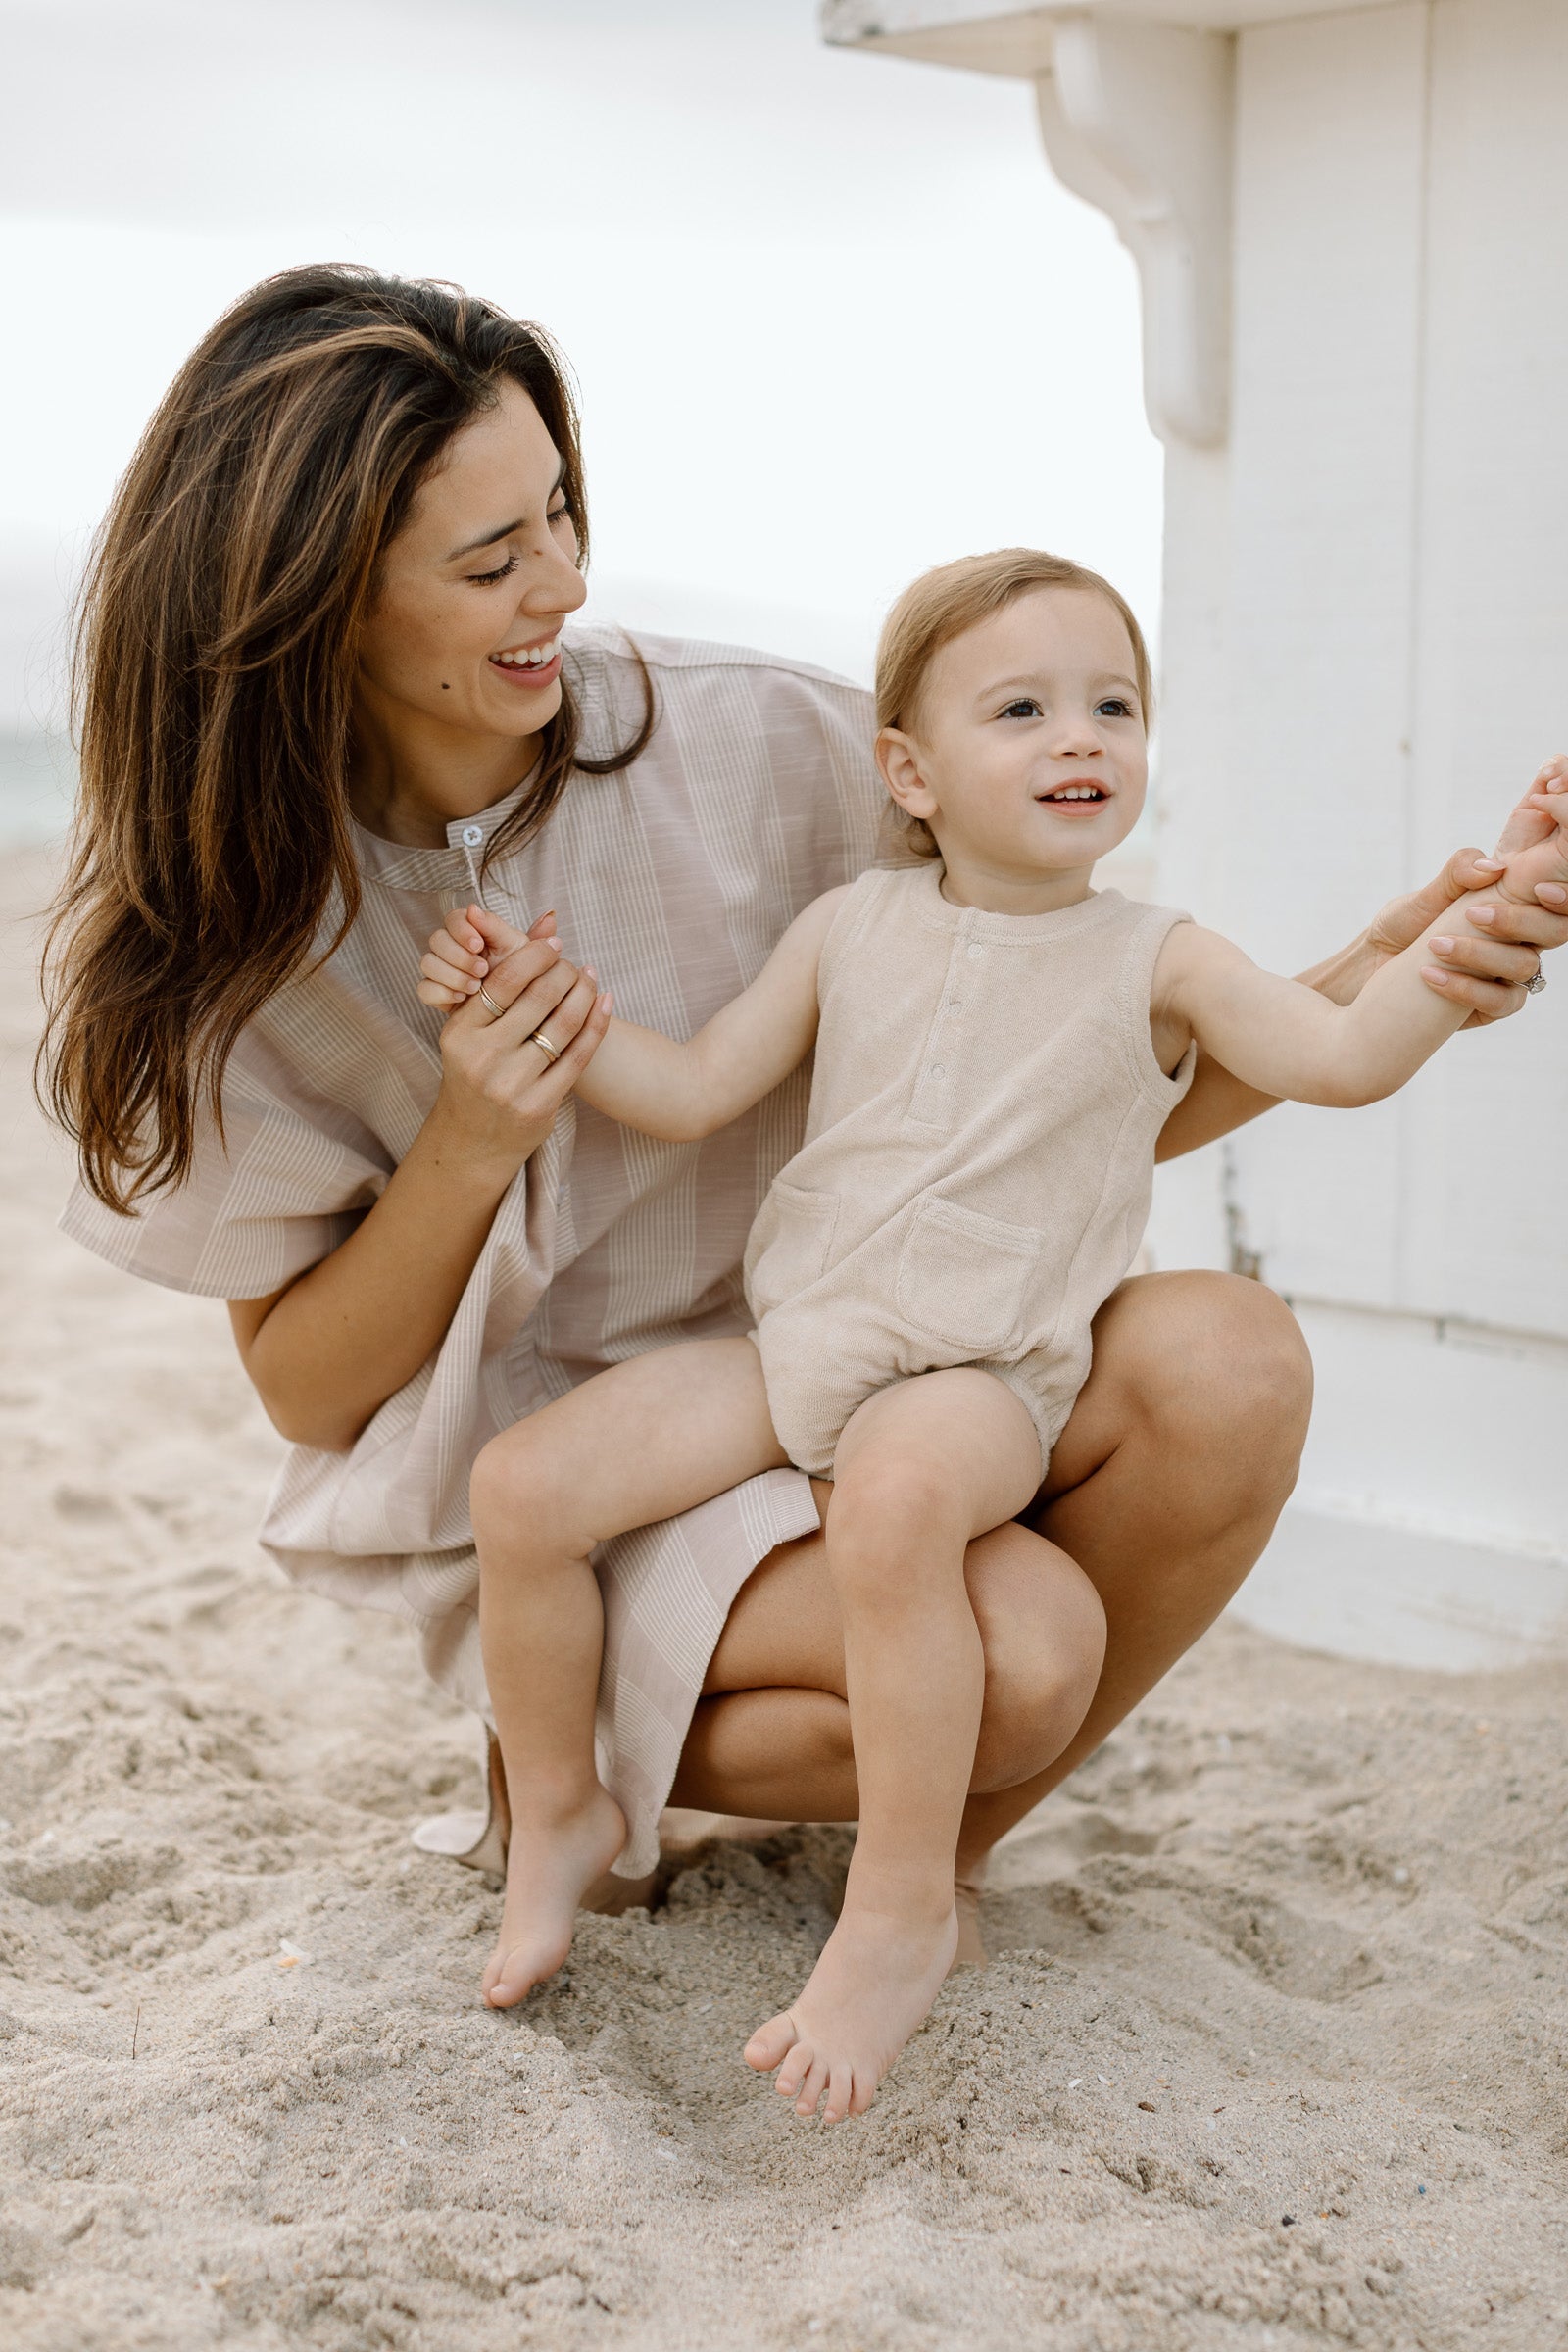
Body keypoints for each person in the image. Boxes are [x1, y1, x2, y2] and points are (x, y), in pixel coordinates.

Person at [42, 267, 1566, 2035]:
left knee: (1227, 1361)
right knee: (1024, 1653)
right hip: (595, 1459)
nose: (567, 587)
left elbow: (1075, 1069)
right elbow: (311, 1395)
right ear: (311, 607)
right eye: (490, 564)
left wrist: (1408, 953)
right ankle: (574, 1780)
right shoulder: (234, 935)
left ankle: (924, 1878)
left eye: (561, 515)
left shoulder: (780, 744)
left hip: (893, 1373)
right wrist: (474, 1140)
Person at [415, 548, 1568, 2121]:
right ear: (910, 770)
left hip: (969, 1379)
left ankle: (897, 1909)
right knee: (522, 1492)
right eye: (1020, 709)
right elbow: (689, 1090)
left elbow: (1343, 1053)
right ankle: (558, 1810)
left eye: (1113, 706)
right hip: (796, 1344)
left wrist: (1454, 950)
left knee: (895, 1507)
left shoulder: (1158, 956)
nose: (1078, 738)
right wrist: (547, 1005)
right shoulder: (851, 924)